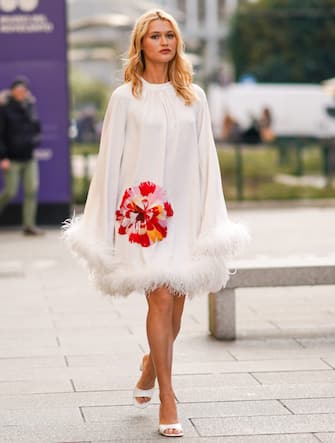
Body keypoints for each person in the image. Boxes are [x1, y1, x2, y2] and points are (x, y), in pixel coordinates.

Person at [64, 9, 248, 438]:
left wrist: (210, 218)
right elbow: (109, 163)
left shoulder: (194, 97)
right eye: (154, 35)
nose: (164, 41)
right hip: (142, 215)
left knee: (176, 310)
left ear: (176, 44)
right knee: (160, 299)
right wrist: (102, 226)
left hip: (184, 213)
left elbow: (208, 162)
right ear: (140, 44)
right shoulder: (124, 98)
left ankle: (150, 364)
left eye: (170, 35)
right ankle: (168, 396)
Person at [0, 76, 43, 235]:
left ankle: (29, 226)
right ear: (12, 91)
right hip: (11, 158)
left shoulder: (30, 106)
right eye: (17, 90)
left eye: (23, 90)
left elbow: (37, 127)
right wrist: (3, 156)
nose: (20, 93)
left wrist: (35, 141)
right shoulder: (4, 108)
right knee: (10, 191)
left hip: (29, 156)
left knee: (31, 190)